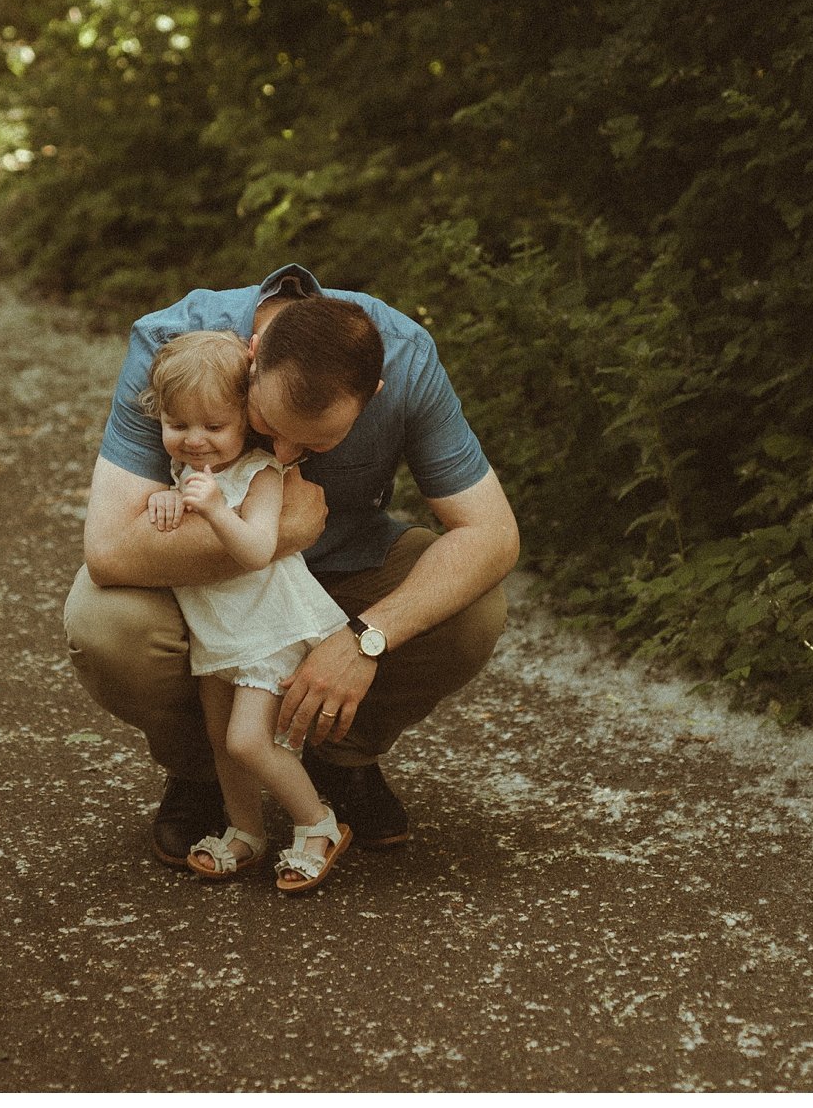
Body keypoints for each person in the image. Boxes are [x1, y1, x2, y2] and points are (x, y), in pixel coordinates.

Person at [63, 264, 519, 871]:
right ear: (251, 358)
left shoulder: (405, 358)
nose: (282, 456)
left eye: (317, 445)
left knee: (474, 606)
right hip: (209, 587)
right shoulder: (177, 345)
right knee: (102, 622)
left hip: (341, 576)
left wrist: (365, 639)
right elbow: (110, 550)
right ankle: (203, 773)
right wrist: (284, 534)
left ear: (374, 393)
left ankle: (340, 756)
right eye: (269, 427)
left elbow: (493, 533)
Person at [137, 328, 355, 891]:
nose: (195, 441)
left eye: (214, 426)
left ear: (245, 418)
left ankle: (318, 825)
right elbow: (173, 514)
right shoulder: (187, 474)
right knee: (219, 737)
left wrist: (210, 509)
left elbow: (258, 550)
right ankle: (246, 830)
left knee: (248, 740)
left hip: (269, 628)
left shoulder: (261, 472)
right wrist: (168, 498)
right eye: (177, 425)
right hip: (222, 633)